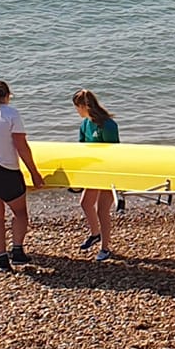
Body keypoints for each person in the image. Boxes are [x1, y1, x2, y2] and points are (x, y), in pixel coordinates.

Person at [0, 80, 45, 272]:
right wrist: (34, 173)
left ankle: (2, 258)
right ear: (8, 95)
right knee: (19, 212)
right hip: (5, 170)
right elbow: (21, 146)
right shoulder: (12, 114)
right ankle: (18, 252)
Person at [72, 89, 120, 261]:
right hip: (92, 172)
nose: (77, 111)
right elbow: (82, 148)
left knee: (102, 210)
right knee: (85, 203)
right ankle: (95, 233)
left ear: (85, 106)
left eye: (78, 107)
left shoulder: (107, 125)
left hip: (107, 173)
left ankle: (105, 248)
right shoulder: (85, 124)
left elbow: (115, 152)